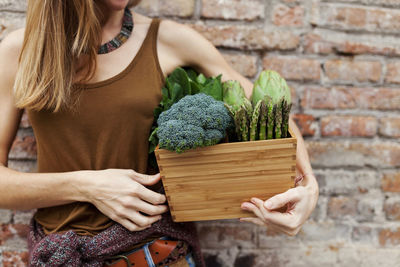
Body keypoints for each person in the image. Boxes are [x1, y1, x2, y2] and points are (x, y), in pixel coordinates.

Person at [0, 0, 319, 266]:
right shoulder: (20, 50)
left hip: (159, 254)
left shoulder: (169, 40)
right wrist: (86, 186)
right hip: (60, 256)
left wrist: (309, 186)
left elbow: (268, 108)